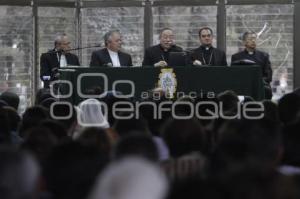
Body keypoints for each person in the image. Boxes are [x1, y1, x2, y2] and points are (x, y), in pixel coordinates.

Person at [231, 31, 273, 99]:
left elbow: (268, 76)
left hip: (260, 87)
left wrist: (256, 82)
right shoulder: (236, 57)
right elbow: (234, 76)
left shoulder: (264, 56)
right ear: (244, 42)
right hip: (243, 87)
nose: (253, 41)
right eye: (250, 39)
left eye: (255, 38)